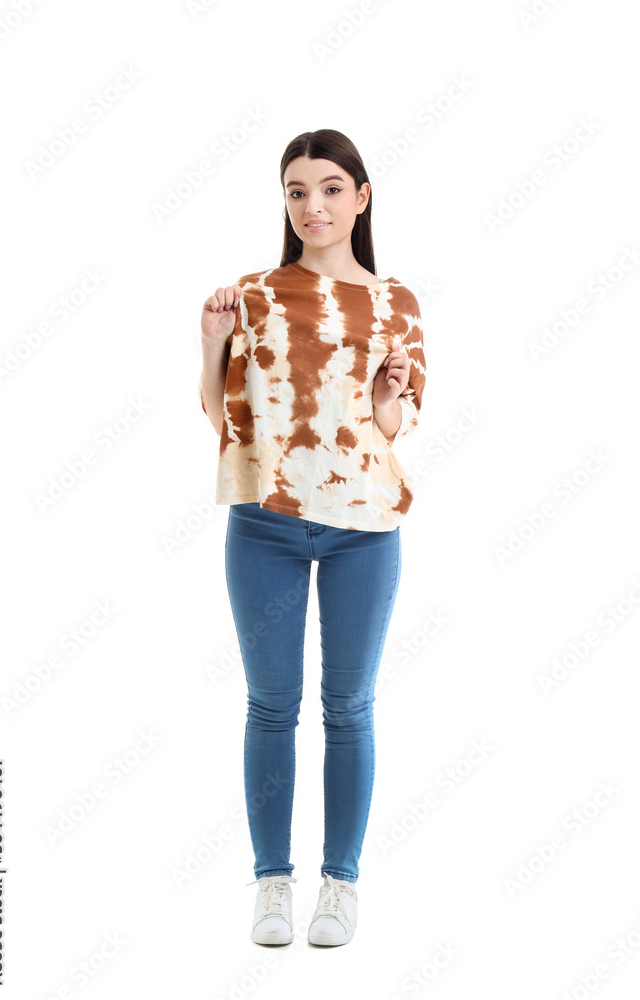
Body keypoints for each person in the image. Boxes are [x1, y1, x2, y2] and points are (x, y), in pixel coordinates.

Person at [199, 129, 427, 947]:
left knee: (348, 707)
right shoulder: (254, 292)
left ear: (360, 197)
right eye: (297, 190)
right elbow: (220, 413)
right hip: (265, 526)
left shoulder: (397, 300)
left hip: (365, 529)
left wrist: (389, 389)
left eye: (330, 188)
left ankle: (340, 885)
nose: (313, 206)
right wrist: (212, 343)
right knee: (270, 705)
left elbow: (392, 426)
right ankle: (270, 884)